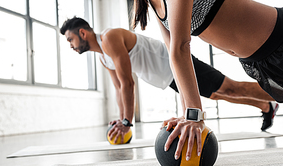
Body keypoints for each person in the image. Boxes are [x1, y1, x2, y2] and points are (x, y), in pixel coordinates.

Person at [60, 17, 278, 145]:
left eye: (70, 39)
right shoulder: (103, 58)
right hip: (169, 76)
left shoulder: (109, 38)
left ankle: (277, 94)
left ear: (82, 32)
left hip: (176, 64)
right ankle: (266, 105)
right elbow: (118, 89)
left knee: (230, 88)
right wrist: (121, 119)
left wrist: (127, 122)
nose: (70, 44)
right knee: (219, 94)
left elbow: (128, 83)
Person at [132, 0, 283, 161]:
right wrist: (187, 115)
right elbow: (173, 55)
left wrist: (194, 115)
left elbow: (181, 47)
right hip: (259, 60)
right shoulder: (154, 3)